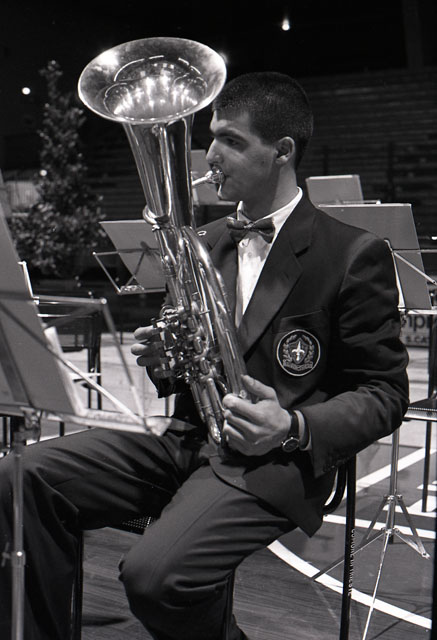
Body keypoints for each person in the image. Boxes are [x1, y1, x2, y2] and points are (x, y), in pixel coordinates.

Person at [0, 72, 409, 640]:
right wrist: (166, 362)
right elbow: (190, 366)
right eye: (211, 136)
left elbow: (386, 393)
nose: (211, 155)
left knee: (155, 577)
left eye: (232, 141)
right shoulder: (204, 241)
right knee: (20, 476)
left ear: (282, 151)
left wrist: (292, 425)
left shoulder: (352, 253)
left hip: (272, 463)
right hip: (187, 441)